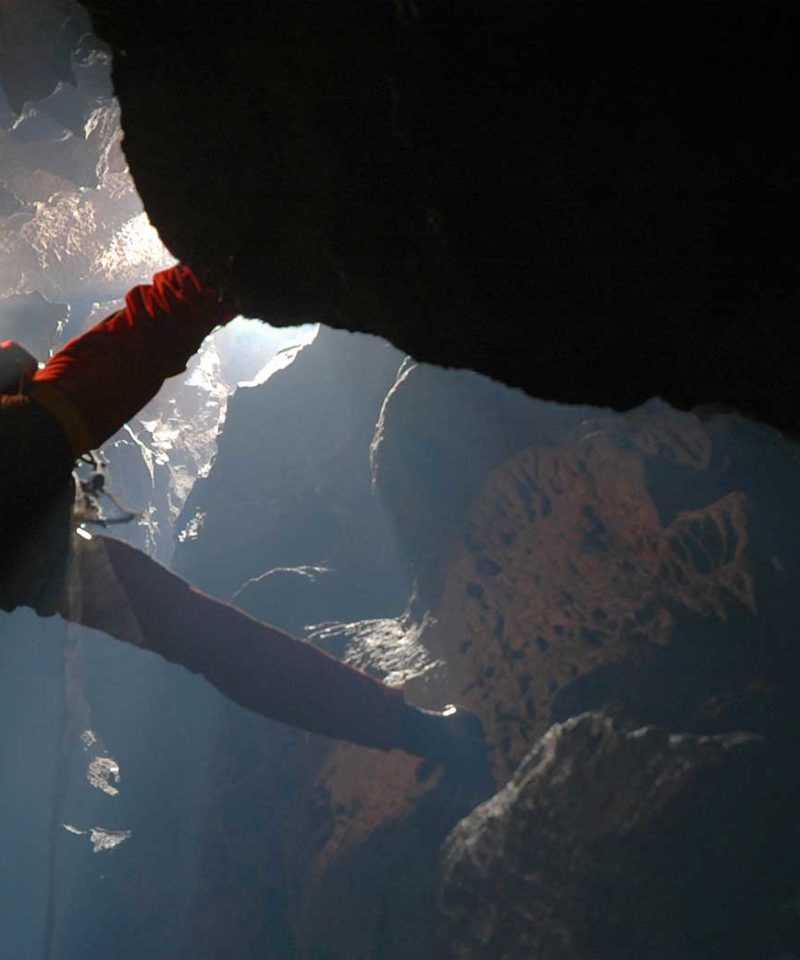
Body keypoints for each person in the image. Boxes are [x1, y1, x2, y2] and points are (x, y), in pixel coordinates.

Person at [0, 265, 491, 775]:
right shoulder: (33, 423)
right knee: (149, 333)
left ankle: (423, 734)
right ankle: (423, 732)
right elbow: (140, 333)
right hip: (22, 474)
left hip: (25, 556)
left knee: (199, 634)